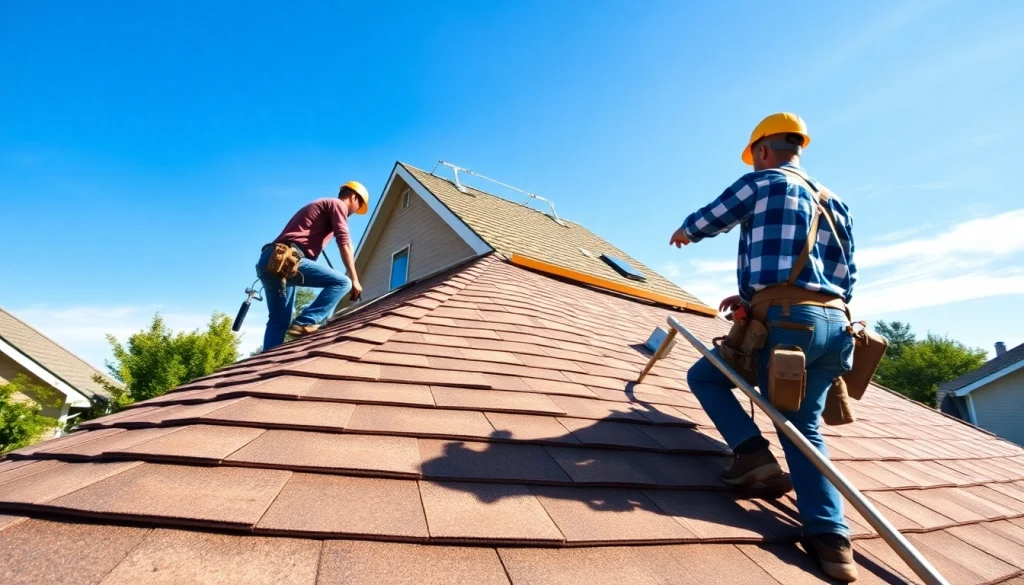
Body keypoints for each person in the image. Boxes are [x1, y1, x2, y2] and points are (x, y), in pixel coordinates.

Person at [669, 113, 859, 581]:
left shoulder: (763, 182)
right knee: (793, 417)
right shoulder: (836, 202)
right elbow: (842, 276)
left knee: (781, 419)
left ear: (761, 151)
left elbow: (709, 219)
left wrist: (684, 232)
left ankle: (828, 533)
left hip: (788, 323)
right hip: (836, 325)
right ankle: (763, 468)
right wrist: (753, 298)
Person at [256, 181, 369, 350]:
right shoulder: (338, 205)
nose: (354, 212)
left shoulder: (323, 206)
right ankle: (305, 321)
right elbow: (344, 242)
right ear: (354, 197)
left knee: (279, 321)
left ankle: (264, 362)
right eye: (358, 206)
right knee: (342, 282)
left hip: (270, 261)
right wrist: (355, 279)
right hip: (286, 260)